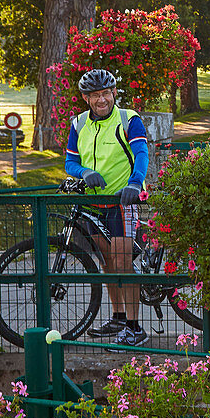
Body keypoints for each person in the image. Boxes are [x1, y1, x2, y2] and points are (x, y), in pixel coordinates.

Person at [64, 68, 150, 348]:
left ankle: (135, 328)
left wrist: (135, 184)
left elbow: (141, 154)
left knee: (123, 263)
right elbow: (69, 163)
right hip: (93, 203)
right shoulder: (78, 124)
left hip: (122, 200)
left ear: (114, 93)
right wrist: (84, 173)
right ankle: (118, 318)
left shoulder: (129, 119)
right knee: (108, 263)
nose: (101, 100)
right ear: (86, 98)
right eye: (94, 95)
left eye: (105, 93)